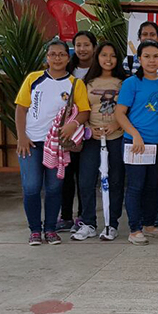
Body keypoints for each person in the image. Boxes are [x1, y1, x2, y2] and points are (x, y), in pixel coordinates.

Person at [15, 40, 90, 245]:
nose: (57, 58)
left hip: (58, 144)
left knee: (54, 187)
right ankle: (34, 230)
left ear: (68, 58)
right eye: (53, 54)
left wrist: (72, 125)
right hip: (31, 142)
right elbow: (21, 108)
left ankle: (50, 229)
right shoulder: (34, 79)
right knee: (31, 186)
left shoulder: (75, 84)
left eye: (61, 54)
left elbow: (84, 111)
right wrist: (22, 136)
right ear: (46, 58)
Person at [115, 41, 158, 245]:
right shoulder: (132, 83)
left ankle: (149, 224)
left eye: (156, 56)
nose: (151, 60)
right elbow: (119, 113)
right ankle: (135, 228)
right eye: (146, 56)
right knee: (136, 186)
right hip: (136, 143)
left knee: (154, 186)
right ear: (139, 59)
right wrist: (135, 134)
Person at [73, 41, 129, 242]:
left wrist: (117, 125)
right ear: (97, 57)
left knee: (115, 181)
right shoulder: (86, 83)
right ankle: (88, 223)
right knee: (86, 180)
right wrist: (88, 128)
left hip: (116, 136)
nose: (108, 59)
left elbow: (130, 109)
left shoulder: (125, 82)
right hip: (92, 137)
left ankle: (111, 224)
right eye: (104, 55)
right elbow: (79, 109)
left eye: (112, 55)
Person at [57, 30, 97, 231]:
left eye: (86, 45)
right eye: (78, 45)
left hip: (89, 132)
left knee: (85, 176)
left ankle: (83, 215)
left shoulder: (99, 70)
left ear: (94, 47)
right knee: (66, 173)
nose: (82, 49)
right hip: (67, 132)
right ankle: (65, 216)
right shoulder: (67, 69)